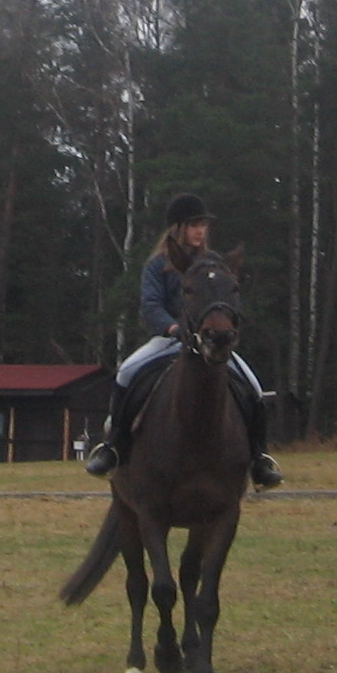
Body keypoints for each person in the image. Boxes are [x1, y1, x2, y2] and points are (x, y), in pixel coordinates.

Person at [83, 193, 285, 488]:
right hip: (170, 340)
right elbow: (151, 306)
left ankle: (259, 458)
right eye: (194, 225)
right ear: (178, 228)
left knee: (253, 386)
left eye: (203, 225)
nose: (200, 231)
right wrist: (173, 329)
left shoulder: (213, 265)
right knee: (126, 372)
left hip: (209, 341)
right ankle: (112, 447)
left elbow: (225, 300)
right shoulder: (157, 266)